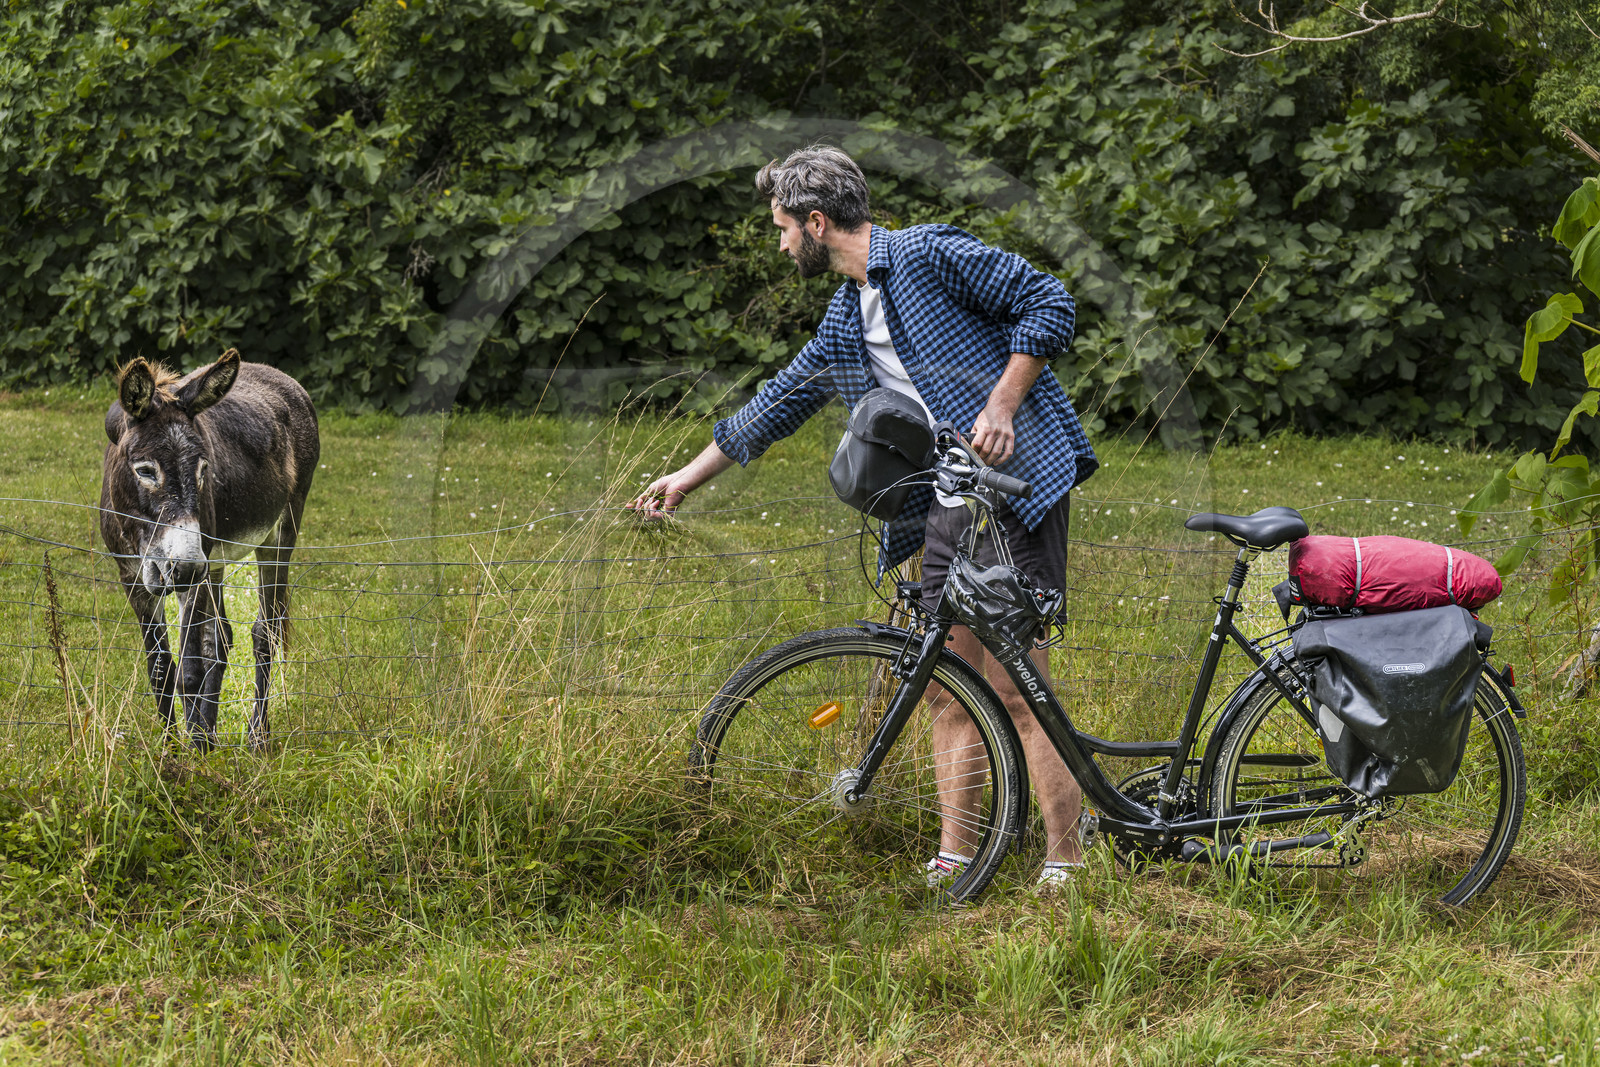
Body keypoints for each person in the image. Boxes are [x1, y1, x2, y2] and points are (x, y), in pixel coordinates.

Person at [631, 145, 1098, 889]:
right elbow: (779, 401)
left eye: (784, 227)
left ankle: (1066, 861)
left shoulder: (928, 254)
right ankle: (957, 855)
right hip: (950, 507)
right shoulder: (849, 316)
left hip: (1012, 490)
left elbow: (1050, 302)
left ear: (817, 223)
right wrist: (686, 479)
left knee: (1020, 686)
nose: (781, 243)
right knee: (946, 685)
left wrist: (1002, 403)